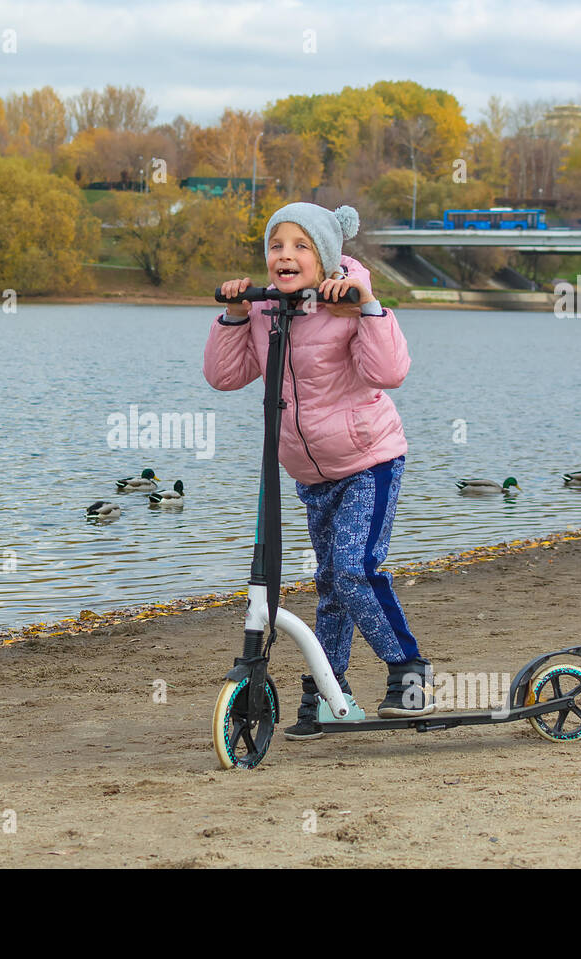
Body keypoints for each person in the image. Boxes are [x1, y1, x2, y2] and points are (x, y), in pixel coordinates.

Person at [202, 202, 433, 740]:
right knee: (329, 583)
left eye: (301, 246)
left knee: (354, 569)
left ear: (326, 257)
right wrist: (235, 316)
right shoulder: (264, 312)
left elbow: (389, 371)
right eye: (276, 246)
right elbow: (223, 376)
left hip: (368, 462)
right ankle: (332, 693)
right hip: (310, 475)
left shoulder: (349, 303)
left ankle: (409, 671)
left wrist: (367, 307)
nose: (286, 256)